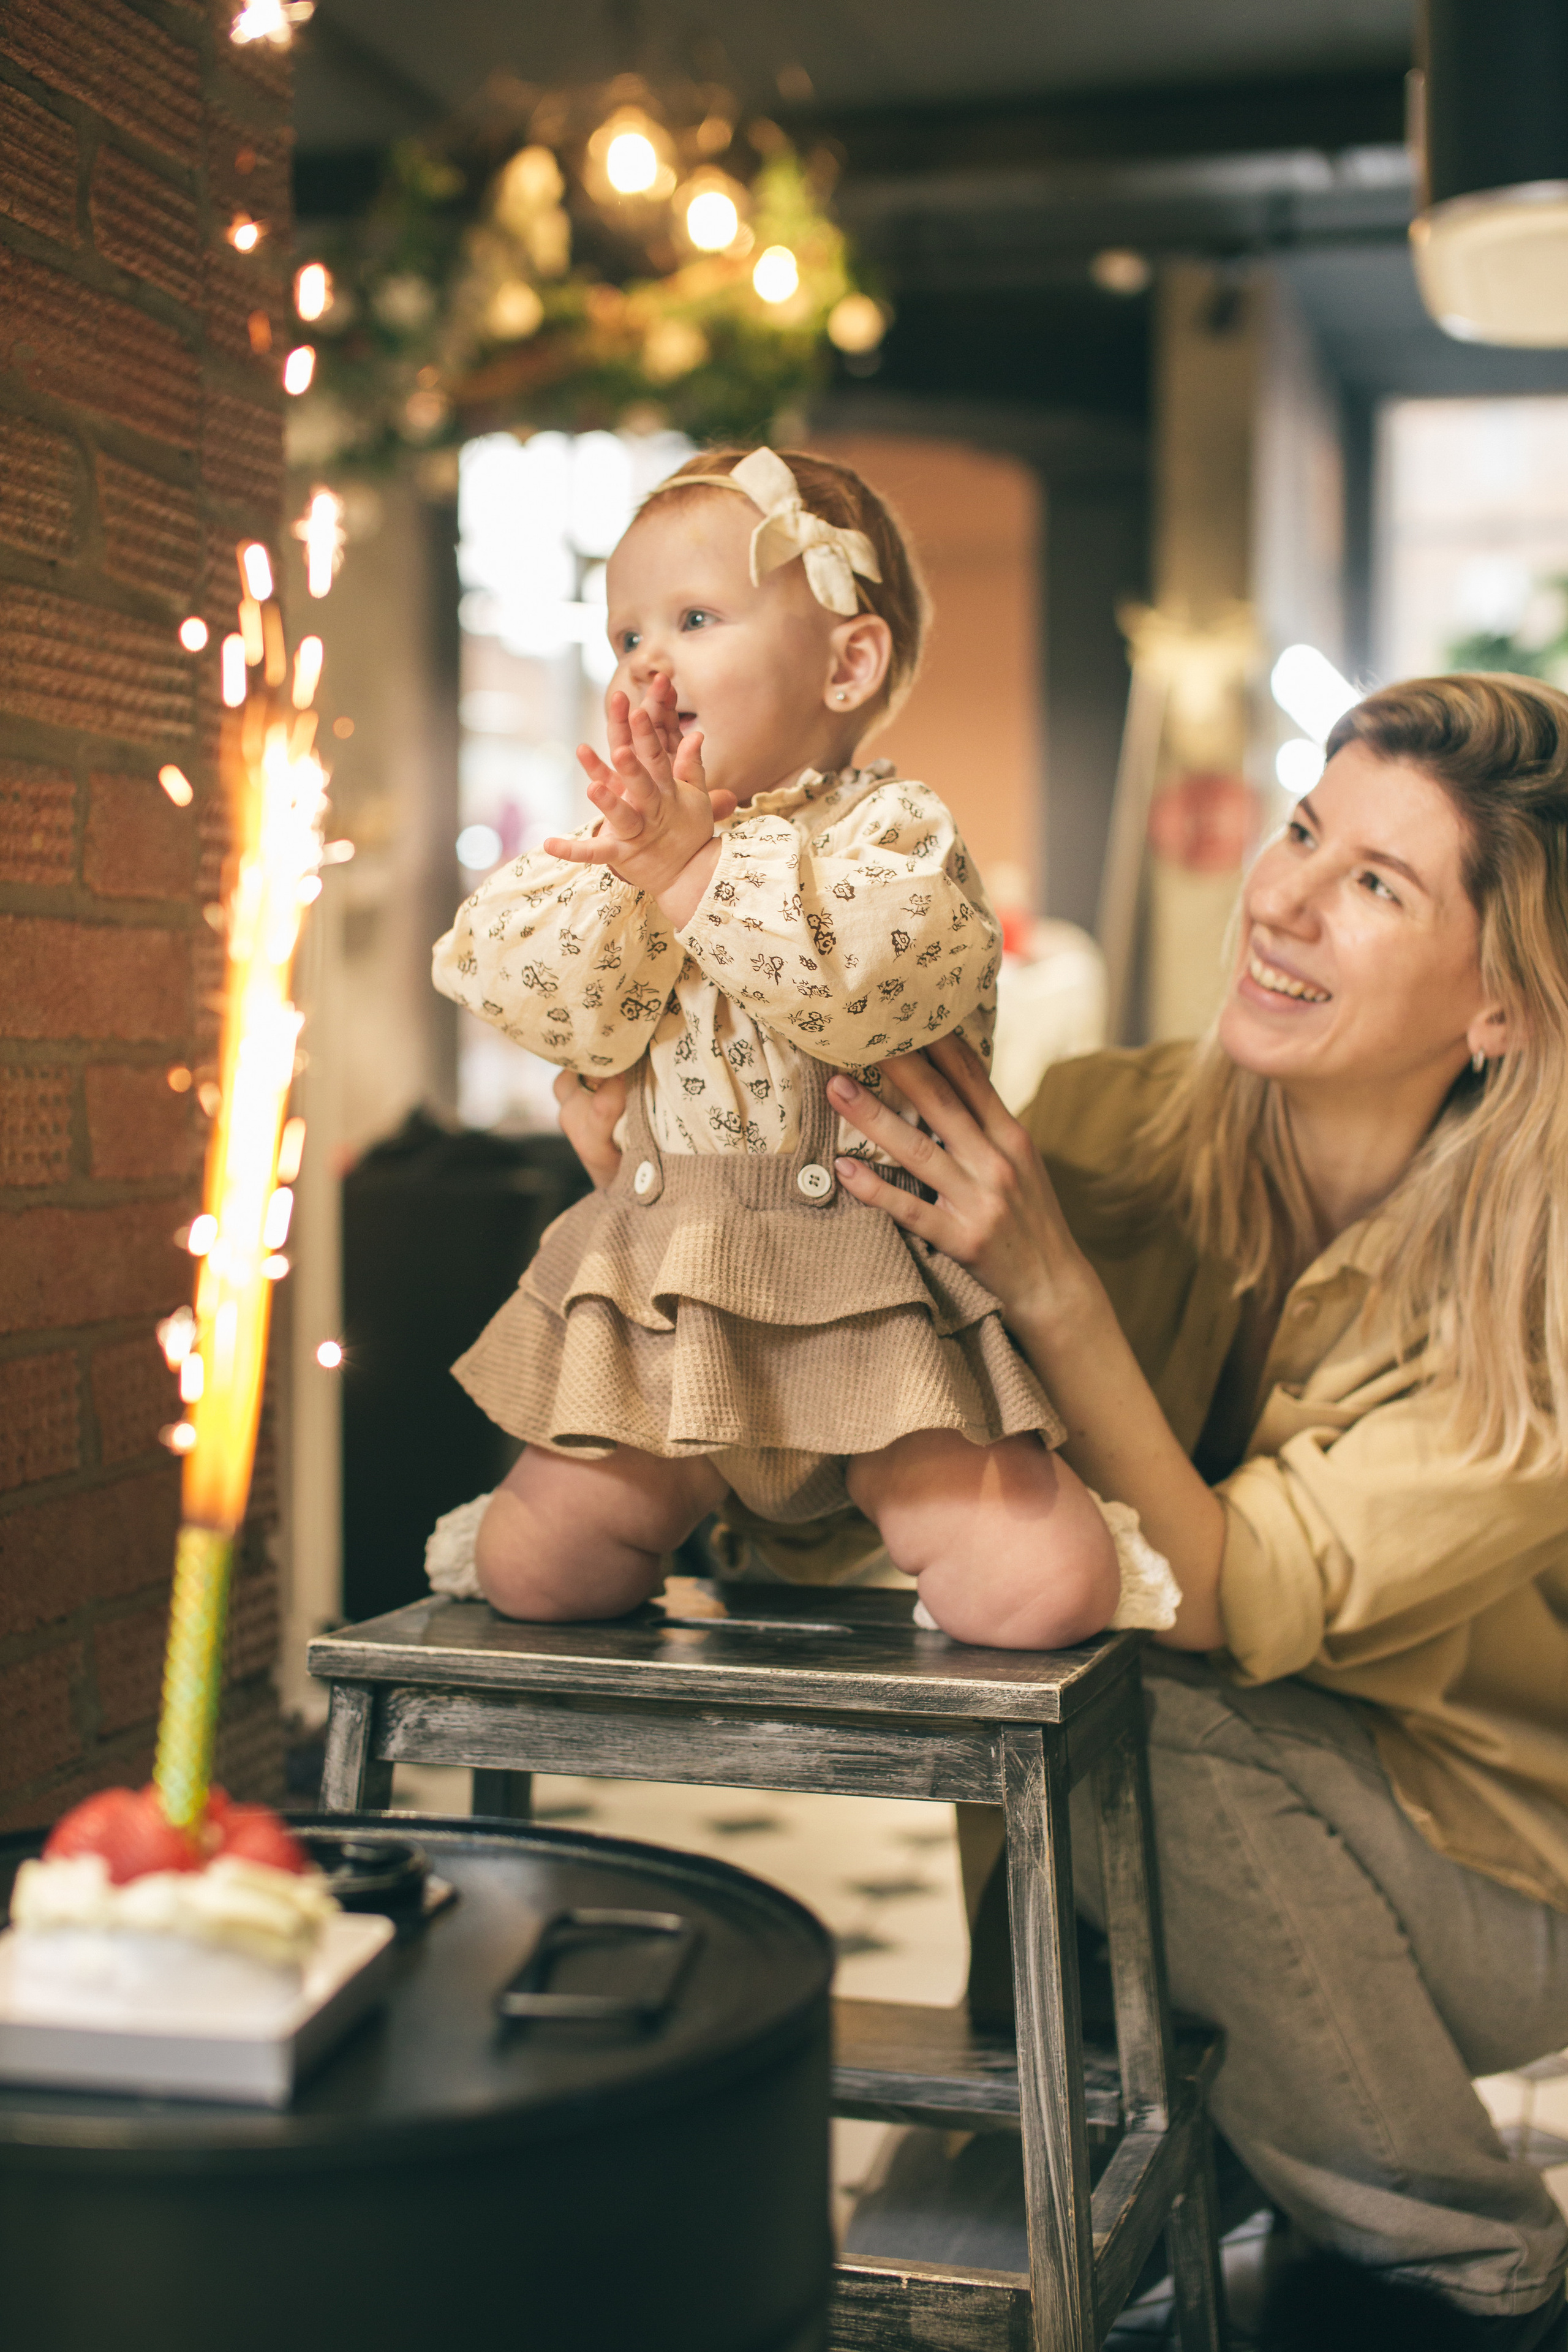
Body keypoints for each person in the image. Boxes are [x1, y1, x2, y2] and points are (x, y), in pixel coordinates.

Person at [556, 673, 1568, 2350]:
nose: (1284, 900)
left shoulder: (1537, 1301)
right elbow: (844, 1483)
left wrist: (1050, 1288)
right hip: (1156, 1862)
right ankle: (1237, 2153)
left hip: (1491, 1878)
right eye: (1302, 832)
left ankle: (1471, 2257)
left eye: (1377, 886)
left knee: (1130, 1685)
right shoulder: (1102, 1122)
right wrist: (686, 1214)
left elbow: (1223, 1597)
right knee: (969, 2252)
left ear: (1503, 1008)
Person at [429, 446, 1151, 1648]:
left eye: (693, 620)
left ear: (847, 663)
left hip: (868, 1294)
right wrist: (642, 874)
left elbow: (863, 987)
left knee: (1037, 1593)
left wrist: (694, 869)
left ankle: (1013, 1547)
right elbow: (519, 985)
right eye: (624, 636)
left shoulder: (892, 834)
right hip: (667, 1287)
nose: (646, 661)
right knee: (536, 1572)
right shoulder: (616, 851)